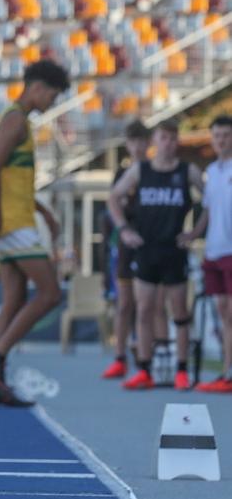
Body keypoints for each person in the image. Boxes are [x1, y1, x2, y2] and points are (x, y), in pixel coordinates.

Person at [0, 59, 70, 406]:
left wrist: (44, 212)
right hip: (14, 224)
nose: (52, 103)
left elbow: (16, 180)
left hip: (16, 220)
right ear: (37, 87)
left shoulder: (20, 121)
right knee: (50, 294)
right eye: (53, 95)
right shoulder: (15, 120)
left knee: (14, 298)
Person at [108, 119, 203, 390]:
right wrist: (124, 229)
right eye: (164, 138)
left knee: (179, 312)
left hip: (174, 249)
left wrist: (195, 232)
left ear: (177, 142)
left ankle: (181, 370)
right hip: (146, 249)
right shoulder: (141, 170)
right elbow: (113, 198)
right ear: (155, 141)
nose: (169, 144)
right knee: (145, 309)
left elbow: (212, 200)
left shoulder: (188, 171)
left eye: (174, 139)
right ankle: (144, 369)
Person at [181, 114, 232, 393]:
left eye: (226, 135)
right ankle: (227, 372)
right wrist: (192, 234)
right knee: (223, 312)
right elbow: (208, 212)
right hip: (213, 250)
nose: (221, 140)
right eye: (217, 136)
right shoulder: (211, 172)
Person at [101, 119, 151, 379]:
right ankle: (119, 356)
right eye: (133, 142)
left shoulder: (155, 171)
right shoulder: (122, 175)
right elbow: (113, 207)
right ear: (128, 145)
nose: (138, 146)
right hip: (126, 245)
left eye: (143, 141)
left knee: (148, 305)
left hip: (151, 244)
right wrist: (123, 230)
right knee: (124, 303)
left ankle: (147, 356)